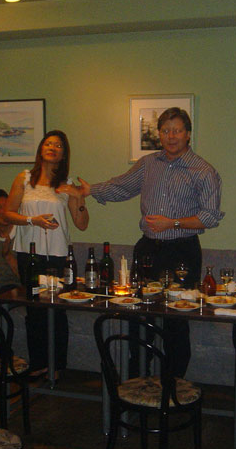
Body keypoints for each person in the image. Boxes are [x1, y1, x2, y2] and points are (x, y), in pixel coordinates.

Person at [78, 107, 224, 378]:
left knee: (176, 318)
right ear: (159, 134)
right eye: (166, 131)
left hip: (182, 251)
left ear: (188, 134)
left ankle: (173, 384)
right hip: (147, 249)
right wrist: (90, 190)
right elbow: (122, 186)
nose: (171, 136)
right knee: (138, 314)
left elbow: (210, 216)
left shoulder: (203, 170)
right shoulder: (148, 164)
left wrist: (173, 223)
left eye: (177, 131)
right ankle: (137, 379)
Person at [5, 130, 88, 374]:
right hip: (29, 254)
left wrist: (80, 198)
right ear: (41, 149)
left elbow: (82, 224)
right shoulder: (24, 178)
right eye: (49, 143)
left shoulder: (66, 185)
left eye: (58, 145)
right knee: (35, 310)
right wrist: (33, 220)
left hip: (57, 255)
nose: (52, 148)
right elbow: (8, 213)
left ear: (64, 154)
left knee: (57, 310)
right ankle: (38, 365)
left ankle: (58, 366)